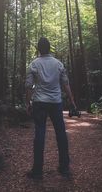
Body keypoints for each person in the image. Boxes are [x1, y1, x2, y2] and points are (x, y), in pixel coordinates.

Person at [25, 37, 76, 180]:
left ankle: (37, 171)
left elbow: (28, 86)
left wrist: (27, 103)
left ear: (38, 49)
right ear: (49, 48)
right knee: (60, 133)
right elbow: (66, 84)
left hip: (39, 103)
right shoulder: (58, 64)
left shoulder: (34, 64)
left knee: (39, 134)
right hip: (56, 102)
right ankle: (64, 168)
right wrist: (72, 102)